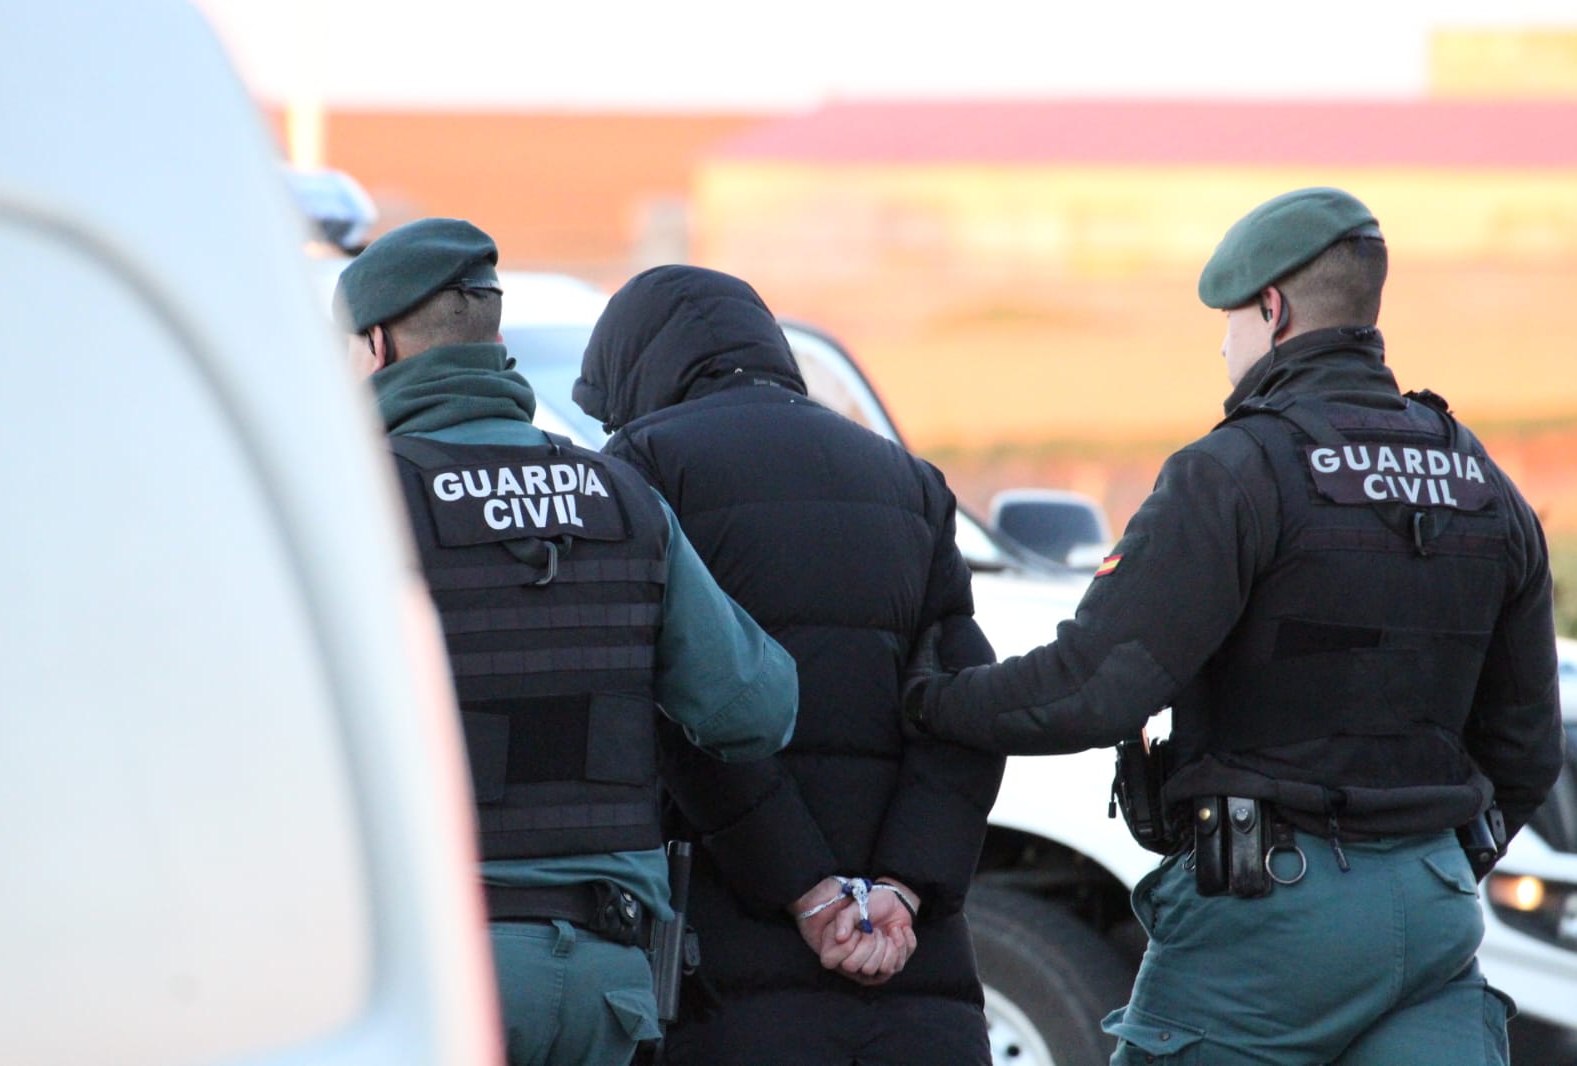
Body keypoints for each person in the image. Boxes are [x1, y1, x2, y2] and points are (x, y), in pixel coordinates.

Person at [902, 187, 1566, 1065]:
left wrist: (925, 700)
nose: (1223, 346)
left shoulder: (1236, 471)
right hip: (1434, 912)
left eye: (1227, 321)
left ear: (1271, 308)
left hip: (1268, 926)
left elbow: (1091, 688)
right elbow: (1522, 746)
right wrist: (1425, 861)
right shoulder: (1476, 478)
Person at [335, 219, 799, 1066]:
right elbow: (756, 710)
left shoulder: (360, 502)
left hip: (443, 975)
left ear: (374, 346)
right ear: (494, 336)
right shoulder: (619, 493)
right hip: (605, 985)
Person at [574, 265, 1004, 1066]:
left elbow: (679, 713)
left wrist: (807, 890)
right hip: (907, 968)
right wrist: (899, 891)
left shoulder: (643, 466)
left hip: (725, 964)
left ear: (637, 367)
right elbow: (963, 713)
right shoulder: (906, 480)